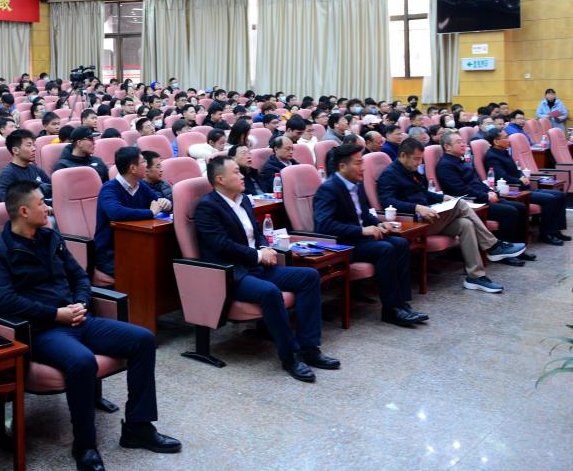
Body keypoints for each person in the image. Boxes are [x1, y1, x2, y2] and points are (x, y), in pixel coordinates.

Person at [0, 181, 181, 471]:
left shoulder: (51, 237)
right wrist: (56, 314)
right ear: (23, 211)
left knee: (143, 339)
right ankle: (85, 445)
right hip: (41, 330)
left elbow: (79, 276)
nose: (48, 207)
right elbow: (5, 301)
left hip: (77, 318)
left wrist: (80, 303)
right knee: (82, 361)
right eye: (41, 203)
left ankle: (137, 427)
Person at [194, 156, 339, 382]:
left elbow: (257, 231)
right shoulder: (207, 207)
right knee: (270, 291)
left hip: (257, 266)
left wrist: (263, 247)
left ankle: (310, 348)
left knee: (309, 277)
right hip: (233, 274)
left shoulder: (244, 200)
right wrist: (258, 255)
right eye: (236, 172)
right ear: (220, 179)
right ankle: (290, 357)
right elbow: (220, 245)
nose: (242, 176)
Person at [377, 138, 521, 293]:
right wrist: (417, 207)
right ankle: (493, 246)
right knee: (461, 204)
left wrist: (443, 197)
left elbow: (424, 194)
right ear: (403, 155)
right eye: (416, 159)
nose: (419, 163)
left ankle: (475, 276)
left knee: (466, 224)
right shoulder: (389, 175)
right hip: (413, 223)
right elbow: (388, 201)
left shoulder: (411, 171)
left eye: (420, 159)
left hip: (430, 216)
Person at [314, 145, 426, 327]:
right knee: (385, 249)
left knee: (400, 243)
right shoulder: (328, 189)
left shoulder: (356, 185)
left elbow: (365, 213)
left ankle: (402, 304)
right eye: (358, 163)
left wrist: (378, 223)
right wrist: (361, 230)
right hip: (343, 243)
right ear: (342, 167)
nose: (363, 168)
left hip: (360, 239)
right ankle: (391, 310)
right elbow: (324, 225)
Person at [437, 132, 534, 257]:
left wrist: (489, 191)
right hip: (470, 202)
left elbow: (477, 181)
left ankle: (518, 249)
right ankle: (505, 252)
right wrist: (486, 196)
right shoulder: (445, 165)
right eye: (458, 142)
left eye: (463, 141)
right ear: (447, 147)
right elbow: (459, 190)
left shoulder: (462, 161)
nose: (463, 144)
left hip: (481, 196)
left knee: (520, 207)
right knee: (509, 211)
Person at [94, 147, 171, 278]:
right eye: (143, 162)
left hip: (137, 246)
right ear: (133, 168)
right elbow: (116, 212)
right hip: (112, 253)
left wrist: (166, 204)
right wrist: (150, 212)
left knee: (165, 263)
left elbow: (157, 202)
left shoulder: (141, 185)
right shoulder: (109, 189)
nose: (147, 165)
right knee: (147, 272)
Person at [483, 130, 569, 245]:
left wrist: (522, 176)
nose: (509, 140)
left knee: (560, 195)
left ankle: (556, 230)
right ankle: (547, 233)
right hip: (514, 189)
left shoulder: (504, 152)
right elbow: (502, 176)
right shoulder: (492, 156)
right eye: (505, 137)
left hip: (523, 186)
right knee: (550, 199)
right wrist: (519, 180)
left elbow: (515, 170)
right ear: (496, 142)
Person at [0, 128, 52, 203]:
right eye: (29, 145)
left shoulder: (35, 169)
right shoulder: (7, 174)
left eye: (33, 145)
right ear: (15, 150)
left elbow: (51, 188)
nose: (34, 149)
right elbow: (7, 202)